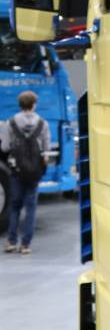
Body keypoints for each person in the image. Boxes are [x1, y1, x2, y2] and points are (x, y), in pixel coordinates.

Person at [4, 90, 50, 255]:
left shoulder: (10, 123)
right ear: (34, 105)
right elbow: (46, 149)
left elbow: (5, 147)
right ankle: (25, 245)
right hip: (34, 171)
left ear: (20, 104)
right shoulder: (43, 123)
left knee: (15, 205)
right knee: (31, 207)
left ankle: (11, 241)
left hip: (17, 170)